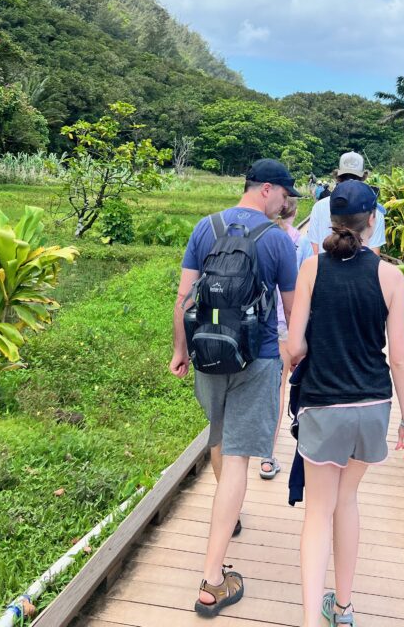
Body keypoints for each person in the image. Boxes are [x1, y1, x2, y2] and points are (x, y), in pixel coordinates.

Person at [170, 158, 300, 617]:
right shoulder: (278, 241)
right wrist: (295, 353)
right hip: (256, 357)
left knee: (220, 439)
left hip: (207, 353)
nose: (287, 206)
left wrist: (179, 351)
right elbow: (290, 310)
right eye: (286, 196)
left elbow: (184, 299)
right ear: (267, 189)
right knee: (240, 455)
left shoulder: (205, 227)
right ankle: (211, 581)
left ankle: (231, 514)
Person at [287, 179, 404, 627]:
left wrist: (296, 363)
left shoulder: (311, 269)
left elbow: (295, 345)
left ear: (332, 220)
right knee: (348, 501)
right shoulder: (390, 275)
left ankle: (310, 619)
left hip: (323, 404)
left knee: (318, 512)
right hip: (372, 405)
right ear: (373, 222)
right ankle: (343, 610)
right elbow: (398, 357)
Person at [259, 195, 311, 481]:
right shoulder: (299, 243)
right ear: (295, 211)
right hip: (284, 324)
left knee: (262, 387)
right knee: (280, 389)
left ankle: (254, 452)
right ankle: (268, 457)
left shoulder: (263, 235)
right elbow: (301, 292)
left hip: (257, 323)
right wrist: (298, 338)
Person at [307, 152, 386, 256]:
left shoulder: (319, 207)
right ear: (363, 177)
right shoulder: (373, 209)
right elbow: (374, 254)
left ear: (338, 176)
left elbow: (315, 250)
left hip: (325, 270)